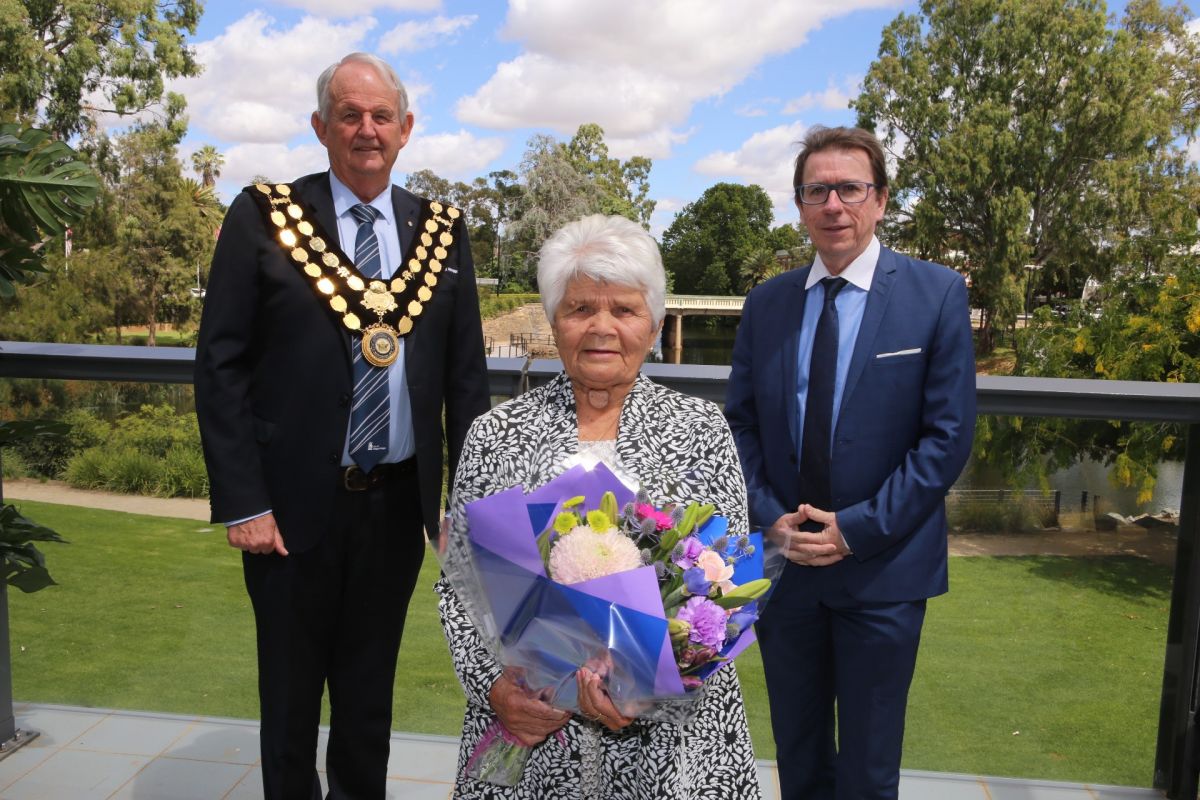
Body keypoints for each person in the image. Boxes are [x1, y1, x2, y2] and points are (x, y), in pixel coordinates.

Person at [194, 52, 489, 799]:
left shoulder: (442, 232)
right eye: (349, 116)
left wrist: (468, 504)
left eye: (381, 116)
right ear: (321, 127)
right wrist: (244, 502)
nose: (367, 130)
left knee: (367, 703)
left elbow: (465, 380)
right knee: (290, 703)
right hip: (288, 508)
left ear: (406, 128)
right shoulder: (264, 216)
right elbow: (220, 364)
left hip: (395, 508)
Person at [435, 214, 762, 799]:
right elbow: (459, 590)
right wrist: (496, 690)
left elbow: (724, 585)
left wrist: (650, 686)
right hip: (534, 735)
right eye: (580, 308)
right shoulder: (494, 434)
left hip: (670, 751)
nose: (601, 327)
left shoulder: (702, 430)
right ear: (555, 322)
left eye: (625, 309)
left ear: (655, 324)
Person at [724, 125, 976, 800]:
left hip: (883, 571)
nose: (834, 204)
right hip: (785, 570)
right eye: (818, 190)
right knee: (799, 761)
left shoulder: (937, 294)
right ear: (800, 205)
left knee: (869, 771)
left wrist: (856, 528)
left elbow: (946, 438)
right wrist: (771, 518)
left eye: (850, 188)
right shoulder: (768, 303)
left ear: (881, 199)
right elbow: (740, 425)